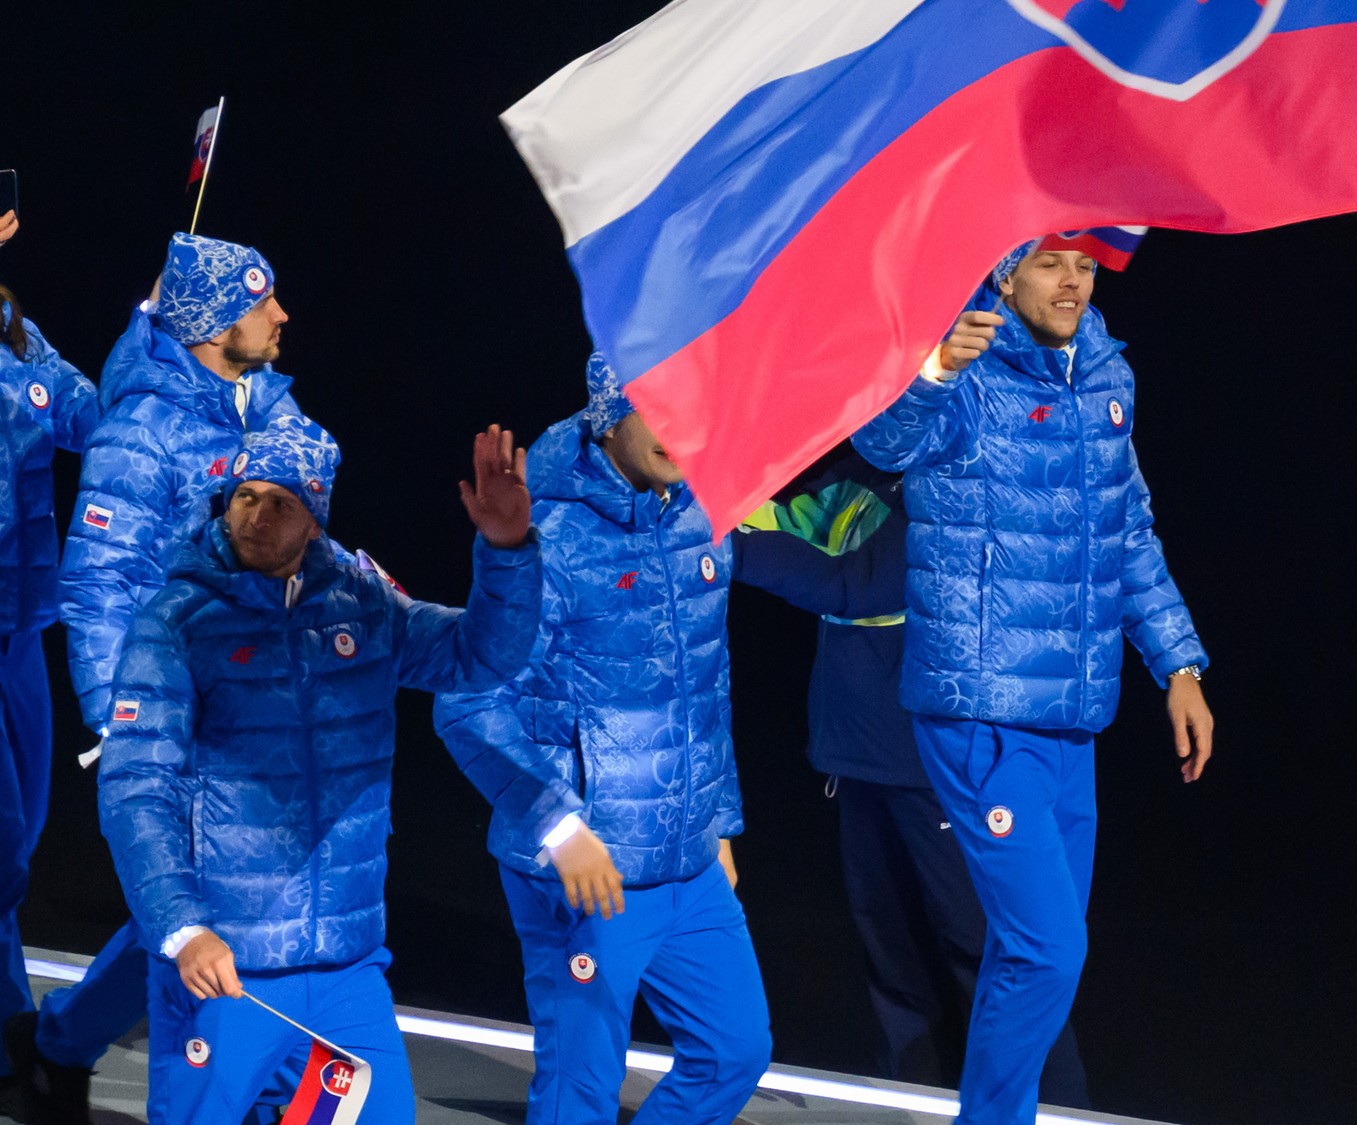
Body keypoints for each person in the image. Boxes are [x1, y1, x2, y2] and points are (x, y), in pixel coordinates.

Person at [851, 242, 1213, 1125]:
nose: (1071, 283)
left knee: (1040, 952)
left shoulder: (1106, 377)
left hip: (1071, 720)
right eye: (1051, 263)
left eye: (1084, 268)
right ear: (1005, 275)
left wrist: (1179, 663)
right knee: (1049, 951)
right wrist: (935, 367)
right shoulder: (967, 366)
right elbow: (880, 441)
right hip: (979, 710)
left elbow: (1130, 533)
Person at [97, 415, 539, 1125]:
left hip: (345, 965)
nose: (257, 516)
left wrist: (507, 548)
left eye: (282, 503)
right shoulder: (176, 621)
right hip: (225, 962)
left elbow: (479, 658)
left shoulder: (363, 603)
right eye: (246, 496)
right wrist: (181, 927)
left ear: (314, 520)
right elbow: (134, 789)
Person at [10, 233, 325, 1119]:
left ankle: (64, 1036)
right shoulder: (143, 431)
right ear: (215, 321)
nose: (281, 315)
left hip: (260, 690)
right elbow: (98, 581)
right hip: (175, 701)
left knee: (204, 899)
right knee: (203, 898)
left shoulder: (262, 404)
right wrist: (118, 720)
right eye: (263, 301)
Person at [433, 356, 770, 1125]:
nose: (682, 431)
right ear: (609, 412)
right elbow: (469, 700)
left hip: (684, 853)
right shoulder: (546, 533)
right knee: (579, 1089)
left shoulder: (700, 511)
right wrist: (559, 825)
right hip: (582, 866)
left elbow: (706, 687)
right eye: (661, 408)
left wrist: (716, 817)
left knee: (735, 1049)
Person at [732, 449, 1089, 1106]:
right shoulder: (862, 469)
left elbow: (860, 579)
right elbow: (772, 515)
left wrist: (717, 550)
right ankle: (916, 1111)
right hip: (860, 757)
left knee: (990, 962)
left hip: (946, 767)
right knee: (898, 977)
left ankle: (1055, 1113)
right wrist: (695, 500)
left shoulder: (960, 466)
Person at [0, 215, 101, 1117]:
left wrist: (155, 345)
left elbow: (93, 418)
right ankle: (4, 1025)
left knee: (24, 829)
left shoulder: (18, 334)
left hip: (19, 622)